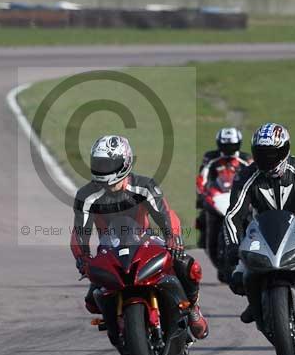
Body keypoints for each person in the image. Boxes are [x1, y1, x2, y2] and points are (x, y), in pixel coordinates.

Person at [71, 135, 209, 340]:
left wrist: (173, 237)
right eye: (99, 163)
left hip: (145, 241)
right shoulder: (86, 195)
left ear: (124, 162)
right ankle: (114, 324)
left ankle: (193, 308)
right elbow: (79, 231)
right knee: (92, 301)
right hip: (110, 250)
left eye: (108, 163)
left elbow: (165, 214)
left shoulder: (144, 186)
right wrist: (82, 256)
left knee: (185, 264)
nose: (103, 169)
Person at [223, 123, 295, 323]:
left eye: (273, 154)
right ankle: (256, 301)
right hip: (262, 231)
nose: (268, 160)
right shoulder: (245, 176)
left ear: (285, 150)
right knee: (236, 278)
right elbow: (233, 213)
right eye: (262, 154)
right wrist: (232, 244)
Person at [195, 128, 252, 248]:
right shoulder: (211, 157)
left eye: (232, 146)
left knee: (252, 217)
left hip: (237, 196)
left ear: (238, 144)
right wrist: (201, 193)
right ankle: (204, 243)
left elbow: (253, 177)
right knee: (203, 216)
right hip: (217, 195)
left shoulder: (246, 158)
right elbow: (202, 177)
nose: (228, 149)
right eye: (225, 146)